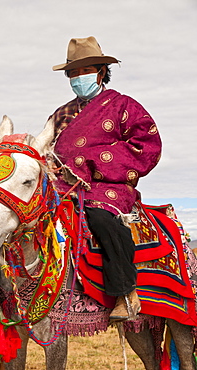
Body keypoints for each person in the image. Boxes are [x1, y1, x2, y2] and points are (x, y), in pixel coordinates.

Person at [49, 36, 162, 322]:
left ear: (101, 71)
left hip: (108, 186)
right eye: (72, 73)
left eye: (84, 71)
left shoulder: (123, 106)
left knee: (100, 219)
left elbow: (147, 145)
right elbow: (46, 151)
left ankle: (126, 293)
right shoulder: (60, 115)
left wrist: (95, 161)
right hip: (64, 186)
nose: (78, 78)